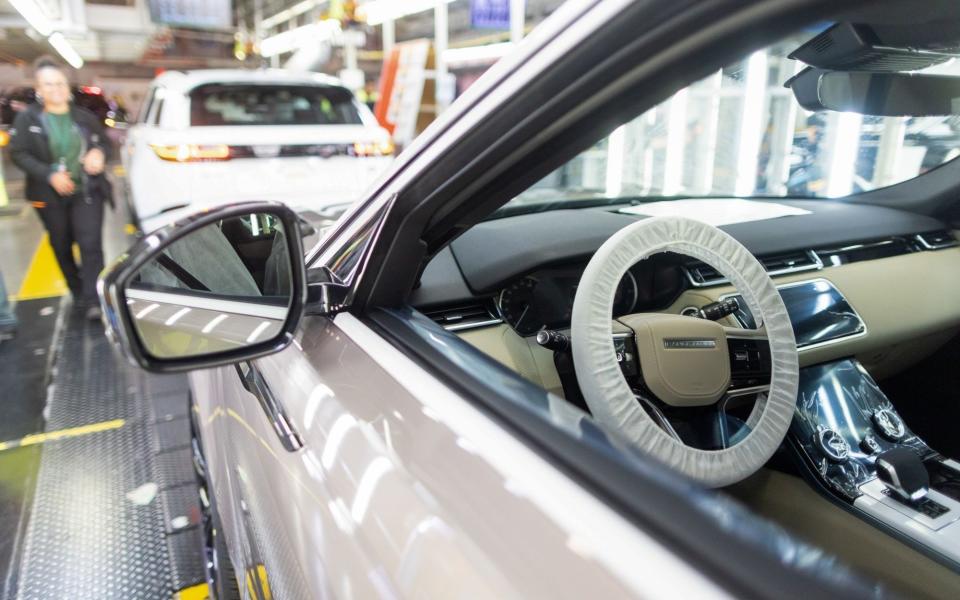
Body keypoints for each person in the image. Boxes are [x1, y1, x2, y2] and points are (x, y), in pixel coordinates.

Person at [9, 58, 110, 322]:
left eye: (60, 83)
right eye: (48, 84)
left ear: (68, 86)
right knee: (61, 245)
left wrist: (98, 153)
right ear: (39, 88)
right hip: (49, 196)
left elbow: (104, 144)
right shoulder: (27, 119)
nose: (55, 89)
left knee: (90, 245)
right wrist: (48, 174)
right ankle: (77, 291)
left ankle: (93, 300)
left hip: (87, 191)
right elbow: (18, 153)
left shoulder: (84, 117)